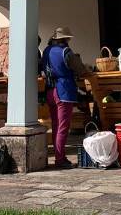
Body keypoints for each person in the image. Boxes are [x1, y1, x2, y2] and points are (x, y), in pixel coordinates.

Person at [40, 27, 88, 168]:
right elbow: (80, 69)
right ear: (65, 39)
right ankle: (60, 159)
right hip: (63, 91)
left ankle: (59, 157)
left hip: (50, 91)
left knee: (56, 126)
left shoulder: (46, 51)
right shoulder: (66, 51)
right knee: (63, 127)